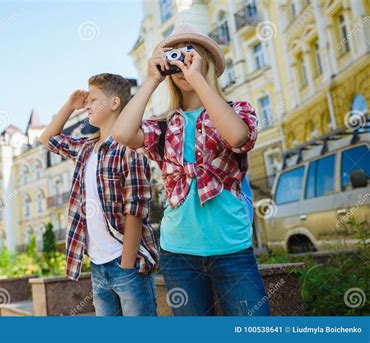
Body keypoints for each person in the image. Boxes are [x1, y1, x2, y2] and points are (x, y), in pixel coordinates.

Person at [112, 25, 270, 316]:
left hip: (231, 249)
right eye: (176, 56)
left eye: (190, 54)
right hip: (179, 254)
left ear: (206, 60)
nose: (183, 62)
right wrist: (151, 80)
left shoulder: (239, 109)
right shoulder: (163, 125)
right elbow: (122, 133)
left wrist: (197, 79)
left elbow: (237, 137)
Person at [40, 73, 159, 316]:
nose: (87, 106)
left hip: (126, 265)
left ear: (114, 103)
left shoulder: (130, 147)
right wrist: (69, 106)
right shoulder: (85, 149)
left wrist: (126, 264)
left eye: (93, 100)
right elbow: (48, 139)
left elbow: (135, 209)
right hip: (98, 266)